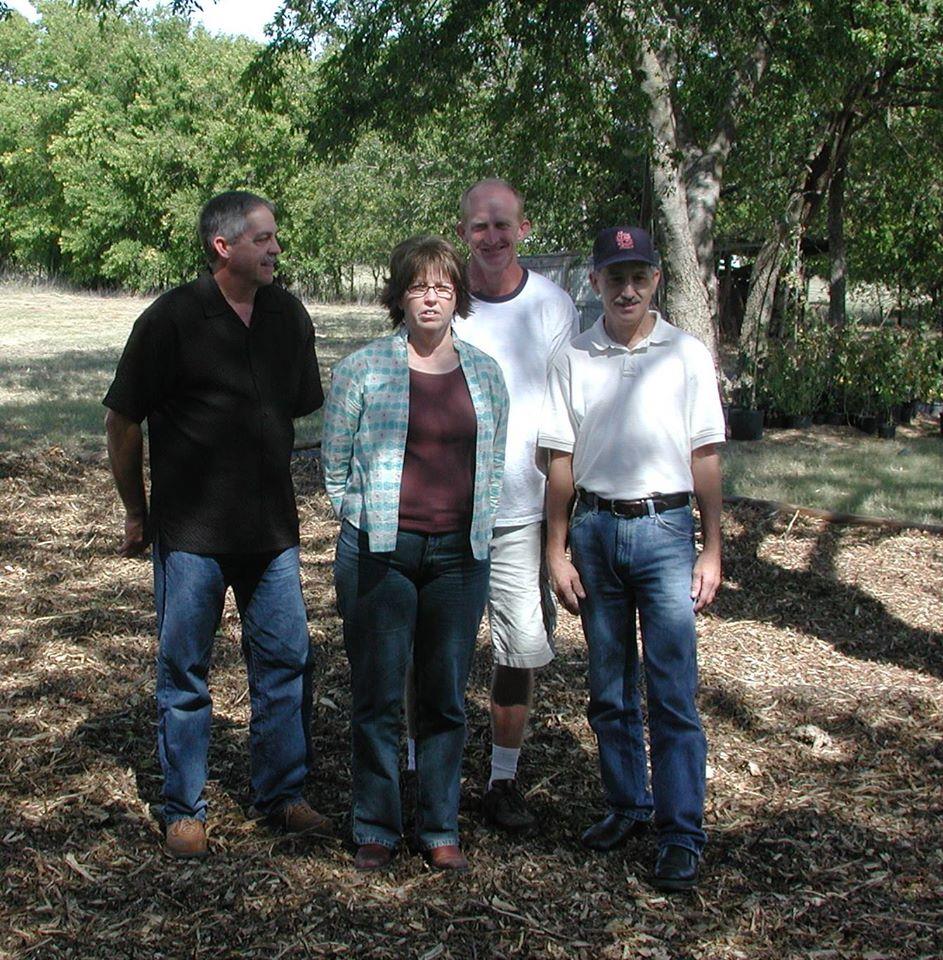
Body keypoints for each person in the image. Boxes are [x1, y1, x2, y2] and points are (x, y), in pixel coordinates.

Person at [103, 190, 329, 859]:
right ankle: (184, 808)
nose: (275, 249)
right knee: (184, 673)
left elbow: (297, 408)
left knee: (286, 663)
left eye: (275, 237)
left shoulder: (287, 315)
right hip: (190, 536)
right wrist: (137, 511)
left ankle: (282, 794)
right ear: (221, 246)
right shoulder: (171, 319)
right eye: (263, 238)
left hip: (271, 535)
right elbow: (122, 419)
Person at [539, 226, 724, 892]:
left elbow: (704, 457)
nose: (625, 289)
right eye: (612, 277)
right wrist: (555, 549)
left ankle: (681, 831)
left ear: (655, 282)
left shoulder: (685, 354)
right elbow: (558, 461)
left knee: (670, 691)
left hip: (665, 530)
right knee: (609, 690)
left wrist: (710, 547)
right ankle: (626, 804)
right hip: (594, 530)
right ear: (593, 284)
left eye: (637, 276)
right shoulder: (572, 357)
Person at [322, 235, 508, 873]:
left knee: (446, 697)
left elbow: (494, 463)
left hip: (460, 558)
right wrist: (370, 521)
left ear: (458, 297)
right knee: (376, 696)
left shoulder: (484, 372)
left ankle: (438, 825)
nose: (431, 297)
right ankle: (375, 824)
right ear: (398, 295)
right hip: (381, 555)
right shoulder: (364, 368)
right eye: (419, 286)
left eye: (444, 286)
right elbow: (335, 469)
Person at [449, 178, 579, 833]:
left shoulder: (554, 308)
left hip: (520, 515)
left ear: (523, 229)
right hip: (442, 512)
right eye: (479, 226)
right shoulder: (442, 301)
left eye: (503, 225)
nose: (492, 237)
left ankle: (501, 780)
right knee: (432, 647)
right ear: (462, 232)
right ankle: (424, 773)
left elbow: (566, 427)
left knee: (518, 650)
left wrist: (559, 535)